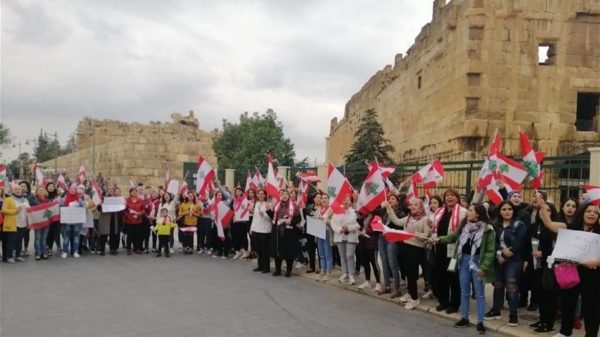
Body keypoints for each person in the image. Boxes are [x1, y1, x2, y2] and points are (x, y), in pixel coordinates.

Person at [433, 203, 496, 334]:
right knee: (464, 291)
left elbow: (490, 251)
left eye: (471, 210)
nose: (468, 212)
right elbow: (452, 237)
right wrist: (438, 239)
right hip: (464, 261)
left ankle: (480, 322)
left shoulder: (488, 229)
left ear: (478, 213)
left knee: (479, 293)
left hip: (478, 262)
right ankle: (464, 318)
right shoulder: (464, 226)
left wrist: (484, 267)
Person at [543, 202, 600, 337]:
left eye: (596, 212)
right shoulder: (571, 228)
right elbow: (549, 224)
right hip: (572, 272)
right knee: (567, 303)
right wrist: (542, 207)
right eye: (588, 211)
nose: (592, 214)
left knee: (592, 307)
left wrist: (596, 262)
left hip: (593, 275)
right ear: (582, 213)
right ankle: (565, 332)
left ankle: (591, 334)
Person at [484, 200, 527, 327]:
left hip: (514, 260)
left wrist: (509, 252)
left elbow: (521, 242)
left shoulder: (519, 225)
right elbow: (492, 241)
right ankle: (496, 310)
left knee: (511, 285)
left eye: (509, 209)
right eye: (504, 209)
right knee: (497, 285)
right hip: (498, 258)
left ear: (514, 211)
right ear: (499, 211)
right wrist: (501, 251)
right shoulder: (495, 225)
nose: (507, 211)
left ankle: (513, 315)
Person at [387, 197, 432, 310]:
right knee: (407, 273)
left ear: (421, 207)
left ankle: (415, 299)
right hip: (406, 246)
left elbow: (426, 236)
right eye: (412, 205)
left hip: (416, 249)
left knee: (412, 274)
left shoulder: (425, 219)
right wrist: (389, 209)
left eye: (415, 205)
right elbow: (397, 221)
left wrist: (414, 233)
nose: (412, 207)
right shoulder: (409, 218)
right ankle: (410, 293)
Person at [430, 189, 466, 314]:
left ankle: (454, 304)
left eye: (452, 195)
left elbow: (461, 232)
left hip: (454, 250)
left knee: (453, 278)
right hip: (439, 247)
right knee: (440, 277)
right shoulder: (439, 211)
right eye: (447, 195)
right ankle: (444, 302)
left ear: (457, 198)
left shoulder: (462, 212)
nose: (449, 197)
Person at [376, 194, 405, 298]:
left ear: (397, 201)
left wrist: (390, 212)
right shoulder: (384, 211)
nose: (390, 200)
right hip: (381, 237)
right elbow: (375, 213)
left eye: (393, 199)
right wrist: (382, 207)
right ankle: (387, 286)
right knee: (384, 262)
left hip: (392, 238)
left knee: (393, 263)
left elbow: (399, 225)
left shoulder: (400, 212)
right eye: (389, 199)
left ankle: (396, 289)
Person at [269, 189, 301, 277]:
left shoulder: (294, 206)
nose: (285, 195)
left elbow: (298, 218)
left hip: (289, 232)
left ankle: (288, 270)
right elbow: (273, 218)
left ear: (289, 196)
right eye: (283, 194)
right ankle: (278, 269)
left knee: (288, 252)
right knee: (277, 250)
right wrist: (269, 211)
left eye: (287, 194)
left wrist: (290, 221)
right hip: (277, 231)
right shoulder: (277, 205)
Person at [331, 195, 360, 285]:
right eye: (344, 200)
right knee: (342, 256)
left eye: (347, 200)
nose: (346, 201)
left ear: (350, 201)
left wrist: (349, 228)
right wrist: (340, 230)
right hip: (340, 236)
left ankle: (351, 274)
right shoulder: (337, 212)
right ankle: (345, 273)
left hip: (351, 236)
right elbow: (333, 223)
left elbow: (358, 225)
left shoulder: (354, 212)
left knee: (349, 255)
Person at [250, 189, 272, 273]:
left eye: (262, 194)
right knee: (258, 249)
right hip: (256, 229)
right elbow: (255, 217)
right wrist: (252, 228)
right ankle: (260, 265)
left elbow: (271, 217)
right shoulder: (257, 203)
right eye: (259, 194)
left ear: (265, 195)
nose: (260, 195)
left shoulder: (268, 204)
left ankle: (266, 267)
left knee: (265, 250)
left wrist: (267, 211)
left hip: (265, 230)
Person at [61, 184, 84, 258]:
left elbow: (82, 209)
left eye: (74, 189)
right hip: (67, 222)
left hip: (76, 222)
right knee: (66, 236)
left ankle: (75, 251)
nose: (72, 190)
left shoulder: (79, 199)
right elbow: (61, 208)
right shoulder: (65, 199)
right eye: (71, 188)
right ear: (69, 190)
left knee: (76, 237)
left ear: (76, 190)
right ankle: (65, 251)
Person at [315, 193, 334, 282]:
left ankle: (328, 272)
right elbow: (315, 219)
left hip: (326, 232)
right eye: (322, 198)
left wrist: (325, 220)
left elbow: (333, 222)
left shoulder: (331, 210)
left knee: (327, 253)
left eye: (326, 198)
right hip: (319, 231)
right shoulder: (319, 209)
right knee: (321, 253)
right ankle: (322, 269)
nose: (323, 200)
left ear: (328, 200)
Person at [31, 186, 51, 260]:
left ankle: (44, 252)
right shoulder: (34, 201)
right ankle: (38, 253)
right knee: (38, 238)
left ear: (46, 192)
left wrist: (46, 216)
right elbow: (32, 211)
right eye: (40, 190)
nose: (41, 191)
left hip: (46, 222)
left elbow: (50, 212)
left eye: (43, 190)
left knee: (44, 238)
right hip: (37, 222)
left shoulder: (49, 201)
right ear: (37, 193)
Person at [124, 187, 145, 255]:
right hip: (129, 221)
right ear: (130, 193)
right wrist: (128, 216)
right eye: (132, 191)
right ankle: (128, 249)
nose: (134, 192)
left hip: (138, 221)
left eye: (135, 191)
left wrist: (139, 213)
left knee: (138, 235)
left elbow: (143, 210)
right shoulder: (127, 200)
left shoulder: (141, 200)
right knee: (129, 235)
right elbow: (125, 210)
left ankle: (137, 248)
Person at [231, 187, 250, 259]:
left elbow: (246, 208)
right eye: (236, 192)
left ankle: (245, 251)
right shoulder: (235, 200)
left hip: (243, 221)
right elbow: (234, 210)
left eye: (239, 191)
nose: (237, 193)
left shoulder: (245, 199)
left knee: (243, 236)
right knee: (236, 236)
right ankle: (238, 251)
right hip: (236, 221)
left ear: (242, 192)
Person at [1, 187, 19, 263]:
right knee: (8, 241)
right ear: (11, 191)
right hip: (9, 223)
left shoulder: (24, 200)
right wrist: (15, 211)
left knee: (14, 241)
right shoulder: (8, 199)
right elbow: (4, 210)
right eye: (16, 189)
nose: (18, 190)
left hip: (20, 223)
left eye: (19, 189)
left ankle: (11, 256)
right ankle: (8, 257)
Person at [45, 182, 61, 256]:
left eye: (52, 186)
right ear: (47, 187)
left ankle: (50, 248)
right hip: (46, 216)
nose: (51, 187)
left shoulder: (57, 197)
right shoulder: (44, 196)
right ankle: (45, 247)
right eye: (49, 186)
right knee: (46, 233)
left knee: (52, 233)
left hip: (54, 217)